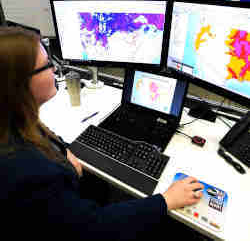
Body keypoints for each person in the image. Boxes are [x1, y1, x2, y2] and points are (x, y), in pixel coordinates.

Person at [0, 26, 204, 240]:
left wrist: (62, 148)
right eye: (48, 64)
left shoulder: (12, 119)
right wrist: (166, 200)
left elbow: (34, 128)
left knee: (97, 184)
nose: (55, 69)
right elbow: (93, 227)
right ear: (19, 82)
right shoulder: (28, 170)